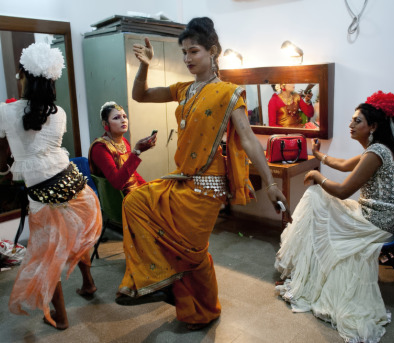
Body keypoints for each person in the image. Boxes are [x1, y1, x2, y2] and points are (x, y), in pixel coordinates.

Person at [115, 17, 291, 330]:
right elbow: (141, 95)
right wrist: (145, 66)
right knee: (134, 203)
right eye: (183, 52)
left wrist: (270, 182)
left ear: (212, 51)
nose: (187, 59)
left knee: (193, 252)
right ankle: (162, 282)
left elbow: (248, 139)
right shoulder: (183, 89)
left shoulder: (228, 93)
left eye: (193, 51)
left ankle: (205, 309)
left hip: (208, 186)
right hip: (182, 179)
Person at [274, 91, 394, 342]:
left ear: (374, 126)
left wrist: (317, 175)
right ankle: (311, 272)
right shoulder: (377, 149)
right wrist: (319, 156)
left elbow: (343, 190)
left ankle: (311, 275)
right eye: (352, 120)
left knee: (316, 196)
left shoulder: (376, 152)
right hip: (372, 215)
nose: (351, 125)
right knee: (318, 200)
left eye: (357, 121)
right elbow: (344, 164)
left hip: (375, 223)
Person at [0, 42, 102, 330]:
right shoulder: (60, 113)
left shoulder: (4, 112)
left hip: (44, 196)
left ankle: (61, 318)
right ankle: (88, 284)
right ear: (52, 81)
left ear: (22, 75)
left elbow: (0, 146)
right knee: (77, 239)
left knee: (47, 257)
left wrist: (3, 169)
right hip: (76, 186)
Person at [88, 101, 156, 195]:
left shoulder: (124, 141)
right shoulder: (100, 148)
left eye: (124, 116)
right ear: (105, 124)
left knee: (163, 190)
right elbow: (117, 183)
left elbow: (133, 174)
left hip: (136, 193)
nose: (123, 120)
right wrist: (136, 152)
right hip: (122, 199)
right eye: (116, 118)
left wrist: (148, 188)